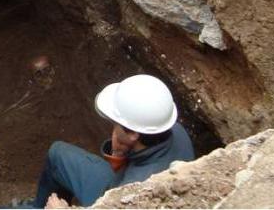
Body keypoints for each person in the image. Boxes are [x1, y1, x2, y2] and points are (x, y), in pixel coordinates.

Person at [32, 74, 194, 208]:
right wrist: (121, 154)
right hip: (120, 180)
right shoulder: (174, 130)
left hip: (114, 197)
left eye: (116, 124)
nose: (113, 128)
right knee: (58, 155)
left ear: (133, 134)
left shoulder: (133, 192)